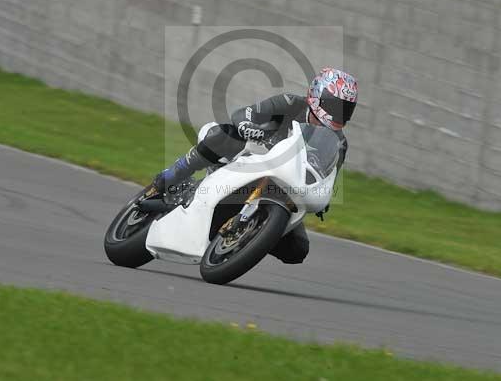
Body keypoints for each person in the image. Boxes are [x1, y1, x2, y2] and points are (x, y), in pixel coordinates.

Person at [148, 68, 358, 265]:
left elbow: (329, 174)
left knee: (298, 250)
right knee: (226, 134)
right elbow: (244, 113)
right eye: (334, 106)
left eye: (345, 109)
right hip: (251, 155)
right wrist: (249, 127)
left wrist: (323, 197)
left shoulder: (339, 143)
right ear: (316, 95)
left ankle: (252, 234)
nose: (339, 114)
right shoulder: (290, 103)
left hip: (283, 184)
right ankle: (173, 175)